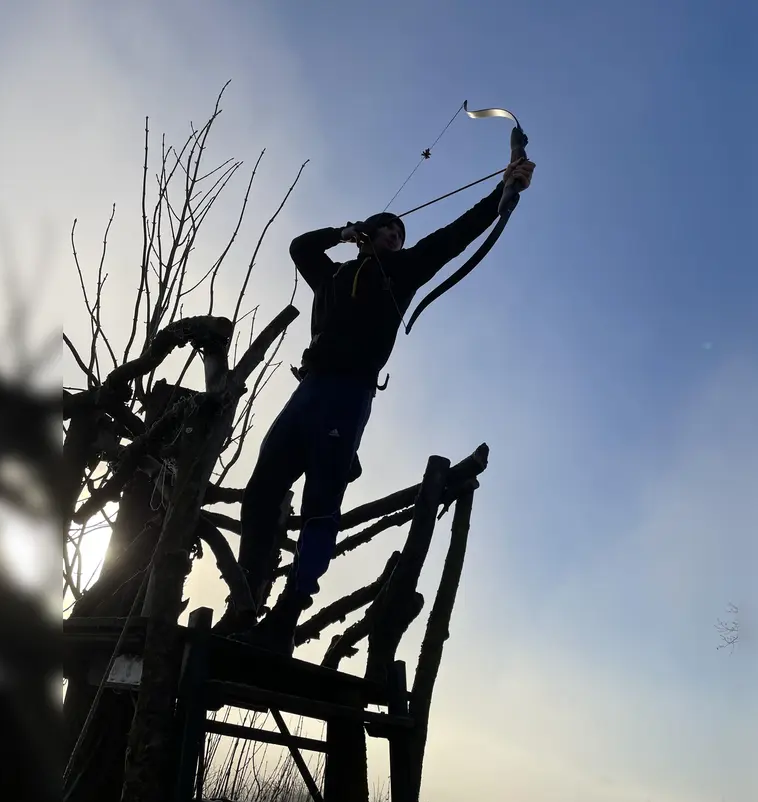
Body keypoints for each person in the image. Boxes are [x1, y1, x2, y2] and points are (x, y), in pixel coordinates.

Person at [217, 155, 536, 653]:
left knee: (322, 506)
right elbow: (300, 246)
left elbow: (454, 236)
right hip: (308, 392)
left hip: (347, 396)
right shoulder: (332, 275)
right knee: (261, 491)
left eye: (398, 233)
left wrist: (503, 193)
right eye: (383, 229)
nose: (391, 235)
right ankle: (247, 597)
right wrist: (346, 231)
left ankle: (285, 618)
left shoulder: (403, 271)